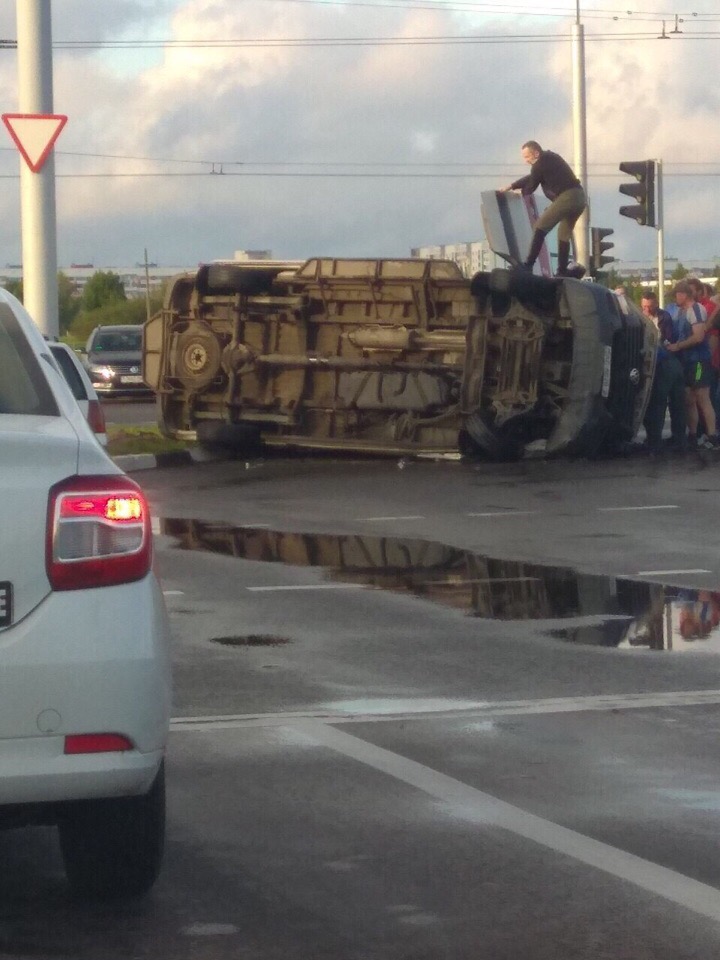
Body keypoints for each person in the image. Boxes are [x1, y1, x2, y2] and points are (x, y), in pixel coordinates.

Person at [501, 141, 587, 277]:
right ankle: (562, 271)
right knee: (563, 234)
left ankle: (528, 265)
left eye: (527, 157)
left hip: (568, 196)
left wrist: (520, 193)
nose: (526, 161)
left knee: (540, 227)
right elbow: (532, 177)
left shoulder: (540, 163)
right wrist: (512, 185)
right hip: (580, 197)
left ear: (536, 153)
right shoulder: (550, 158)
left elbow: (531, 185)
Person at [666, 280, 719, 449]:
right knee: (690, 398)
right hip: (688, 361)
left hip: (698, 361)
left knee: (702, 396)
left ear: (683, 295)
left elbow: (698, 337)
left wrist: (678, 346)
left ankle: (711, 436)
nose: (675, 298)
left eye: (677, 295)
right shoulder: (683, 311)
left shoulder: (695, 310)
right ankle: (693, 435)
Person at [640, 288, 686, 453]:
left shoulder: (664, 317)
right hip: (677, 363)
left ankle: (655, 441)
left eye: (649, 307)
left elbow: (665, 340)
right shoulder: (664, 315)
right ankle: (681, 439)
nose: (646, 310)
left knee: (658, 403)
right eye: (644, 307)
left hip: (672, 364)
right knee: (679, 403)